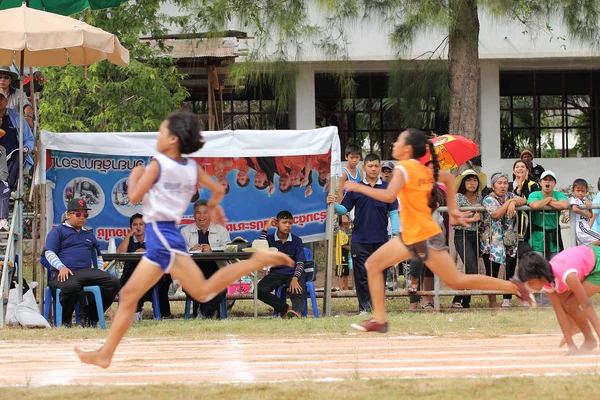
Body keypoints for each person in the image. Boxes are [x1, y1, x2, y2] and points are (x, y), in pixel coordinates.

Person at [75, 110, 293, 368]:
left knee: (173, 292)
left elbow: (134, 197)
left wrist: (136, 175)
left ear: (173, 139)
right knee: (160, 293)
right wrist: (214, 206)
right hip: (166, 237)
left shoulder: (157, 164)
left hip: (161, 238)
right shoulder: (191, 167)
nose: (158, 136)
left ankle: (257, 261)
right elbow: (217, 188)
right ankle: (106, 353)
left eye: (162, 131)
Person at [344, 128, 531, 333]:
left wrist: (359, 187)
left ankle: (514, 287)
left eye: (398, 141)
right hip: (413, 235)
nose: (394, 144)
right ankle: (379, 319)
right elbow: (450, 180)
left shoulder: (404, 168)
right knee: (375, 265)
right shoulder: (423, 169)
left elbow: (389, 196)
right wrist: (452, 208)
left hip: (421, 235)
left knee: (455, 280)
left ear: (407, 149)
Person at [327, 153, 400, 314]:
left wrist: (396, 235)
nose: (373, 169)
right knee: (361, 277)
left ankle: (377, 307)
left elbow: (394, 213)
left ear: (380, 168)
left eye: (376, 166)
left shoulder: (388, 188)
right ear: (363, 167)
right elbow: (344, 209)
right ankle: (364, 308)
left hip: (381, 240)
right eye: (370, 166)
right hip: (360, 240)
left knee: (380, 276)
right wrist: (333, 203)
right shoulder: (355, 188)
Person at [44, 198, 121, 327]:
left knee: (114, 283)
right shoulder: (58, 231)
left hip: (86, 272)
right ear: (68, 214)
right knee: (71, 286)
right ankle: (65, 320)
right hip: (64, 272)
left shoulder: (89, 234)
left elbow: (98, 255)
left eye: (85, 214)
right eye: (78, 214)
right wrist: (61, 267)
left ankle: (91, 316)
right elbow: (49, 253)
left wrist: (100, 270)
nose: (82, 217)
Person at [518, 247, 600, 354]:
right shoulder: (546, 281)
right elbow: (559, 312)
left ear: (540, 274)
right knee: (566, 304)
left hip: (597, 265)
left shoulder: (567, 275)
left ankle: (588, 337)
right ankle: (588, 339)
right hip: (586, 260)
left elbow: (587, 305)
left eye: (530, 282)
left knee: (570, 304)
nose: (529, 286)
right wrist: (571, 345)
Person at [480, 173, 526, 308]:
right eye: (499, 183)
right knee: (492, 273)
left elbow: (524, 200)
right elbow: (496, 214)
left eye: (505, 183)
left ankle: (507, 299)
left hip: (509, 239)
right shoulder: (488, 199)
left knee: (510, 269)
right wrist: (509, 203)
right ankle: (492, 302)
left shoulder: (510, 196)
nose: (503, 186)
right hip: (492, 241)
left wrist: (512, 201)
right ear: (493, 185)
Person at [180, 199, 232, 319]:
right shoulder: (185, 231)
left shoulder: (221, 231)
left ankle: (202, 313)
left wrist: (212, 249)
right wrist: (190, 251)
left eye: (205, 212)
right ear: (194, 215)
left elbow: (229, 249)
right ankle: (207, 312)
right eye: (198, 213)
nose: (202, 216)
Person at [117, 213, 172, 322]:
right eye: (135, 225)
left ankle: (157, 312)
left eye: (141, 224)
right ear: (131, 227)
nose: (138, 227)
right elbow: (120, 254)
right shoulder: (129, 240)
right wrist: (128, 236)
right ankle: (135, 310)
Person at [256, 211, 306, 318]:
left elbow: (300, 262)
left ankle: (297, 313)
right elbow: (260, 249)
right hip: (277, 273)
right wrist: (265, 229)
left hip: (293, 272)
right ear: (276, 224)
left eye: (290, 223)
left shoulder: (297, 241)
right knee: (258, 290)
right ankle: (286, 310)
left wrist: (295, 278)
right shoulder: (269, 239)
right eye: (284, 222)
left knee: (297, 289)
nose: (288, 225)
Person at [451, 169, 486, 309]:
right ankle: (457, 299)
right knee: (472, 268)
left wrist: (480, 210)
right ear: (463, 182)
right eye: (469, 180)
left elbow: (483, 218)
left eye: (475, 180)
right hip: (462, 236)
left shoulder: (480, 198)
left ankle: (465, 302)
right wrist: (473, 219)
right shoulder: (458, 197)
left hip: (476, 236)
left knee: (472, 269)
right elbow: (453, 221)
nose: (472, 183)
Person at [527, 171, 569, 260]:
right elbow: (535, 205)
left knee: (555, 269)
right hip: (537, 240)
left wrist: (544, 202)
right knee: (537, 269)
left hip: (554, 240)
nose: (547, 182)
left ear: (555, 183)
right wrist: (550, 199)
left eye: (550, 180)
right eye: (545, 180)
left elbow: (564, 205)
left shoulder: (559, 194)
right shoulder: (534, 194)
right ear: (540, 182)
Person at [0, 92, 34, 195]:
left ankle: (9, 188)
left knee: (19, 154)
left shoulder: (16, 118)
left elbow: (29, 139)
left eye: (1, 98)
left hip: (11, 158)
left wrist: (27, 148)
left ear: (6, 101)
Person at [511, 160, 540, 243]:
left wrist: (524, 185)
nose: (520, 168)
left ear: (527, 170)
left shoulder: (533, 185)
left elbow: (532, 200)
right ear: (513, 171)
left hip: (529, 224)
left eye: (522, 167)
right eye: (517, 167)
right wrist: (518, 189)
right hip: (513, 224)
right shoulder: (508, 185)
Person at [570, 178, 600, 246]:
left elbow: (590, 215)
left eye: (583, 191)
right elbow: (574, 209)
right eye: (578, 190)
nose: (580, 193)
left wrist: (589, 208)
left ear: (586, 191)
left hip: (586, 227)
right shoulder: (574, 199)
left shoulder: (584, 201)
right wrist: (585, 213)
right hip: (581, 228)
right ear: (573, 191)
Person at [336, 214, 351, 291]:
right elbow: (343, 245)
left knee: (346, 273)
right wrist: (351, 249)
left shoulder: (344, 233)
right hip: (340, 257)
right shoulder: (340, 233)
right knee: (341, 274)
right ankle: (341, 288)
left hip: (345, 256)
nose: (349, 221)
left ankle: (346, 287)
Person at [0, 143, 10, 231]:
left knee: (5, 190)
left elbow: (3, 172)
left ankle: (3, 220)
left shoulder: (1, 149)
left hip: (1, 180)